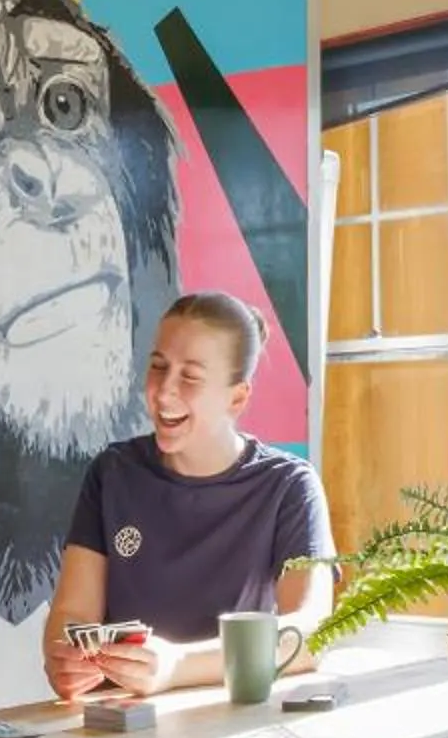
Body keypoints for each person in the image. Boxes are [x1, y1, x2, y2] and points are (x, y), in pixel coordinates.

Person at [45, 292, 335, 701]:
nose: (164, 392)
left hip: (231, 724)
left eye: (190, 377)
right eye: (158, 367)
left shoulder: (290, 486)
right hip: (118, 724)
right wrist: (64, 658)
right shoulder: (112, 473)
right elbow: (72, 613)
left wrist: (176, 667)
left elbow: (310, 635)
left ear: (237, 397)